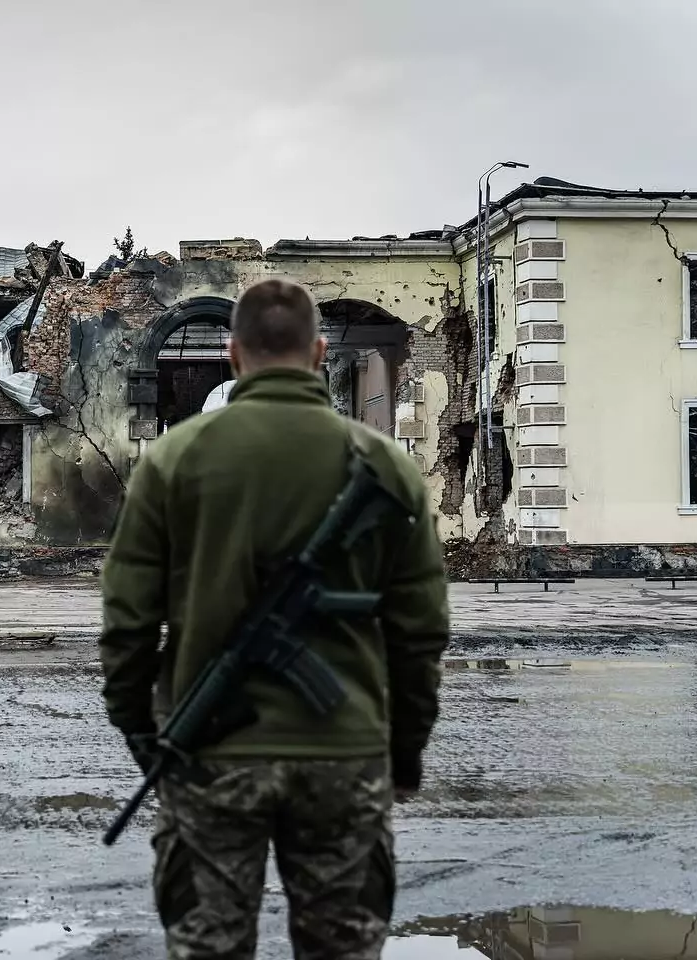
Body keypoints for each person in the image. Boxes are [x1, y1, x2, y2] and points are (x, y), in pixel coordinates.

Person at [98, 278, 450, 959]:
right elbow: (420, 630)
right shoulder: (386, 467)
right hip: (345, 755)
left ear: (233, 356)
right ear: (319, 353)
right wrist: (402, 749)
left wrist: (145, 733)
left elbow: (127, 622)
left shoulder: (172, 461)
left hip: (209, 758)